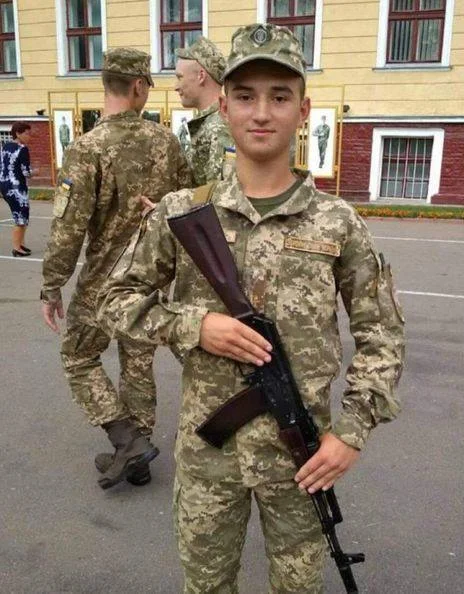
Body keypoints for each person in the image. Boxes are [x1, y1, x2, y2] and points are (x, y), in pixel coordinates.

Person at [98, 24, 405, 591]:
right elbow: (114, 300)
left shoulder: (337, 222)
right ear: (224, 104)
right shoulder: (180, 213)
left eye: (279, 96)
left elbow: (382, 336)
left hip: (302, 461)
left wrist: (352, 432)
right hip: (207, 458)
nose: (261, 113)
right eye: (245, 96)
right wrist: (196, 325)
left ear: (303, 110)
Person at [40, 47, 192, 490]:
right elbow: (188, 204)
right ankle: (137, 458)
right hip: (151, 276)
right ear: (139, 86)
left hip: (104, 279)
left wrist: (52, 286)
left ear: (106, 84)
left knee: (78, 356)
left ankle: (127, 442)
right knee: (137, 362)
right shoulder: (166, 142)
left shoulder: (87, 148)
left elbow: (69, 228)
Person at [175, 35, 235, 185]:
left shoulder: (218, 127)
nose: (176, 87)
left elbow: (217, 193)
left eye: (179, 77)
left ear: (201, 76)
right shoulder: (209, 124)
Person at [0, 122, 36, 257]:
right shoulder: (22, 149)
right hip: (16, 187)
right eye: (27, 133)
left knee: (21, 216)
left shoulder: (5, 146)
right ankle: (16, 248)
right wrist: (36, 172)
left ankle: (20, 244)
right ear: (18, 134)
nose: (29, 136)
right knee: (21, 218)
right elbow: (26, 172)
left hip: (4, 184)